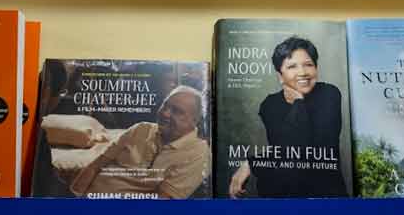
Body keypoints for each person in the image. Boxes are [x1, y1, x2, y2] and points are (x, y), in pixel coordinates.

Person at [229, 37, 348, 198]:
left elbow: (313, 151)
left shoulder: (329, 94)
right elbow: (286, 152)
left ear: (316, 68)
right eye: (292, 66)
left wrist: (298, 102)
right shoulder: (270, 104)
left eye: (308, 65)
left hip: (324, 198)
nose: (303, 72)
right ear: (280, 76)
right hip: (279, 198)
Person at [67, 86, 211, 198]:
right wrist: (74, 199)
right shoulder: (141, 128)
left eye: (177, 111)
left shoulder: (199, 154)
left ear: (195, 121)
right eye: (165, 105)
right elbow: (95, 166)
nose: (165, 113)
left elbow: (162, 202)